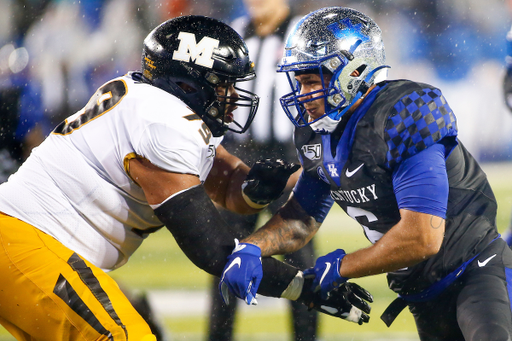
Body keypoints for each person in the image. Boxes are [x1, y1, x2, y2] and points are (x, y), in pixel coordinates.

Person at [0, 14, 373, 341]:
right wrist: (303, 287)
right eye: (222, 84)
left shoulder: (153, 106)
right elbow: (213, 250)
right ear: (187, 82)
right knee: (126, 335)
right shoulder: (161, 121)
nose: (231, 97)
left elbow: (226, 185)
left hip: (28, 246)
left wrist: (257, 191)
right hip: (26, 244)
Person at [219, 7, 512, 341]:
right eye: (298, 81)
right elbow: (300, 220)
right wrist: (251, 247)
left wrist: (341, 267)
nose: (302, 95)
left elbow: (422, 237)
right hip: (422, 294)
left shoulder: (402, 114)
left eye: (312, 80)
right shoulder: (316, 133)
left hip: (477, 275)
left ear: (354, 70)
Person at [206, 1, 318, 340]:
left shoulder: (305, 33)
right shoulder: (235, 32)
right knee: (224, 257)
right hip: (241, 158)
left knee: (300, 260)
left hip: (290, 158)